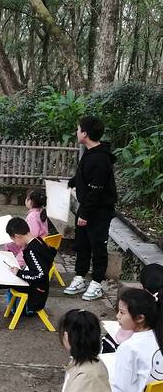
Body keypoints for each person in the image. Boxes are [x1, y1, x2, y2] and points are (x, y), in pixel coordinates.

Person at [64, 116, 117, 301]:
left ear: (85, 133)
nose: (76, 132)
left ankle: (96, 283)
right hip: (86, 206)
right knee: (82, 244)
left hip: (99, 210)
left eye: (78, 129)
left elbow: (96, 189)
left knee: (98, 246)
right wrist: (72, 182)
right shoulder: (90, 152)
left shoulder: (101, 158)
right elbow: (85, 176)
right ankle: (80, 277)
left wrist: (85, 214)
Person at [0, 217, 56, 331]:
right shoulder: (39, 241)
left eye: (13, 240)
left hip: (35, 291)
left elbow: (40, 274)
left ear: (16, 236)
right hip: (39, 287)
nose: (15, 243)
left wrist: (19, 272)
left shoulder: (31, 251)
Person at [110, 288, 163, 392]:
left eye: (122, 312)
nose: (117, 316)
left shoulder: (129, 347)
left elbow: (120, 390)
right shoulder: (158, 337)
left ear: (140, 318)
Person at [4, 188, 49, 268]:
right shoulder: (41, 212)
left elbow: (31, 236)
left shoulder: (32, 216)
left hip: (33, 248)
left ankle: (11, 268)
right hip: (42, 244)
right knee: (9, 245)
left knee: (14, 259)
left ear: (30, 201)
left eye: (27, 198)